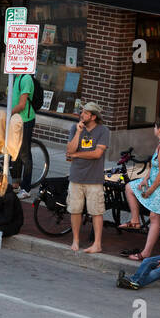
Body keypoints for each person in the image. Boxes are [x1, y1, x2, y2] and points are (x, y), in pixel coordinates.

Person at [127, 113, 160, 262]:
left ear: (159, 129)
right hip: (156, 180)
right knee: (130, 188)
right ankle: (135, 220)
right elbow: (154, 166)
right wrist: (144, 179)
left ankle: (146, 253)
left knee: (154, 216)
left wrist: (150, 190)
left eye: (155, 126)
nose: (154, 128)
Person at [65, 102, 111, 253]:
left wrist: (77, 155)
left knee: (96, 212)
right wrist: (78, 133)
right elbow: (69, 149)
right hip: (76, 176)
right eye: (81, 112)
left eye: (85, 113)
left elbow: (97, 154)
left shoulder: (103, 131)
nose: (81, 115)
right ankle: (75, 241)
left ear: (93, 116)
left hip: (94, 178)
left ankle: (97, 244)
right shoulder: (75, 128)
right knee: (75, 210)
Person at [12, 70, 37, 196]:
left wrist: (9, 113)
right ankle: (16, 184)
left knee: (25, 155)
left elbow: (22, 105)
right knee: (14, 152)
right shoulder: (15, 77)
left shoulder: (26, 78)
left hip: (25, 121)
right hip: (16, 120)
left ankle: (26, 189)